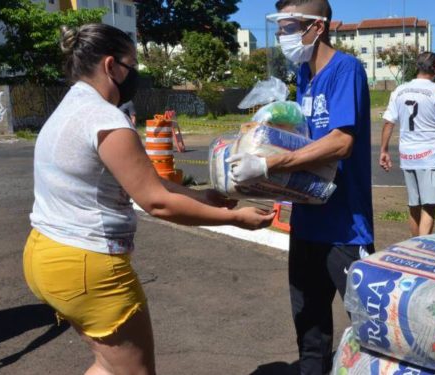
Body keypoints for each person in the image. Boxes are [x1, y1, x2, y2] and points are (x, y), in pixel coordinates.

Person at [24, 23, 274, 375]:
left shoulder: (71, 108)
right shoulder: (105, 119)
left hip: (47, 254)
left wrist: (200, 195)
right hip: (87, 264)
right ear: (111, 66)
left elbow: (145, 181)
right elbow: (156, 201)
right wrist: (234, 218)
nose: (136, 74)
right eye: (132, 64)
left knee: (110, 365)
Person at [228, 1, 374, 373]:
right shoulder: (302, 76)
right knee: (309, 329)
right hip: (307, 222)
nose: (283, 35)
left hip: (346, 228)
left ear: (318, 26)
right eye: (280, 26)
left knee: (371, 326)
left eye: (290, 25)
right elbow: (303, 139)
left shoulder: (345, 70)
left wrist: (270, 163)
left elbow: (341, 142)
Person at [378, 52, 435, 236]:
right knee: (429, 206)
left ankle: (413, 244)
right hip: (428, 155)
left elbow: (388, 122)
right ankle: (421, 249)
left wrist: (383, 150)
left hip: (407, 155)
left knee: (414, 205)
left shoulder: (400, 90)